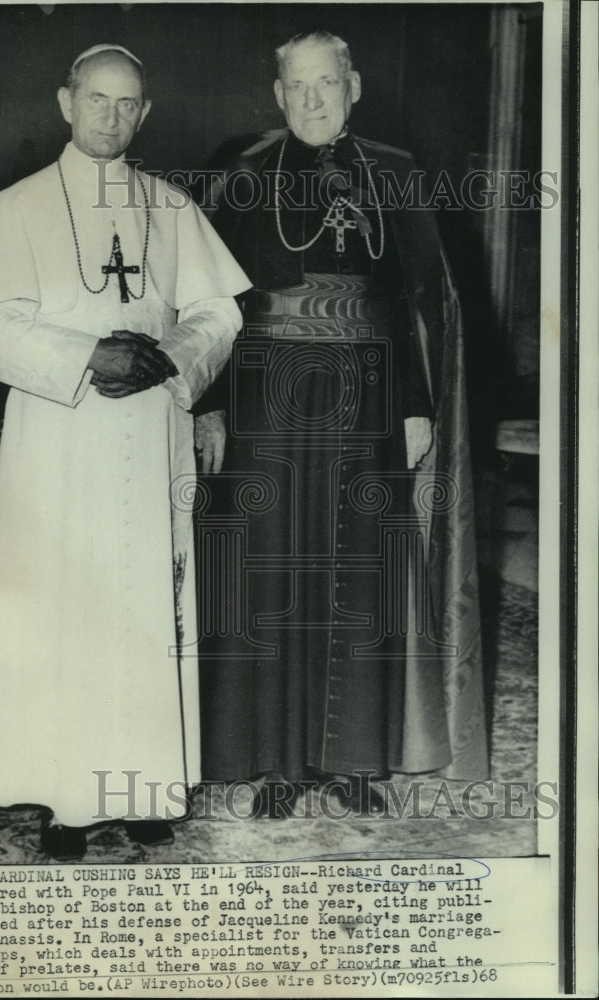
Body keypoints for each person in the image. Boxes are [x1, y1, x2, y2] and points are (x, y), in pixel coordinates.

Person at [0, 43, 250, 858]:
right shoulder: (17, 208)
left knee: (149, 607)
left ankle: (147, 784)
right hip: (60, 433)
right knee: (66, 610)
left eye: (128, 105)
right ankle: (67, 794)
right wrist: (85, 358)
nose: (112, 117)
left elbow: (219, 312)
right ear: (66, 103)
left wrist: (173, 353)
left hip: (153, 430)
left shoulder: (174, 208)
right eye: (97, 101)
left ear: (144, 113)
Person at [195, 30, 488, 816]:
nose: (313, 99)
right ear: (278, 93)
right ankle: (277, 761)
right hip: (263, 399)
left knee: (365, 569)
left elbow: (423, 302)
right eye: (298, 86)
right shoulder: (245, 174)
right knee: (270, 569)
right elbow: (212, 307)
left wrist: (419, 405)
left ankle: (357, 758)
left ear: (353, 86)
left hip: (370, 393)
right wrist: (212, 404)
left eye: (327, 83)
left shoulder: (394, 172)